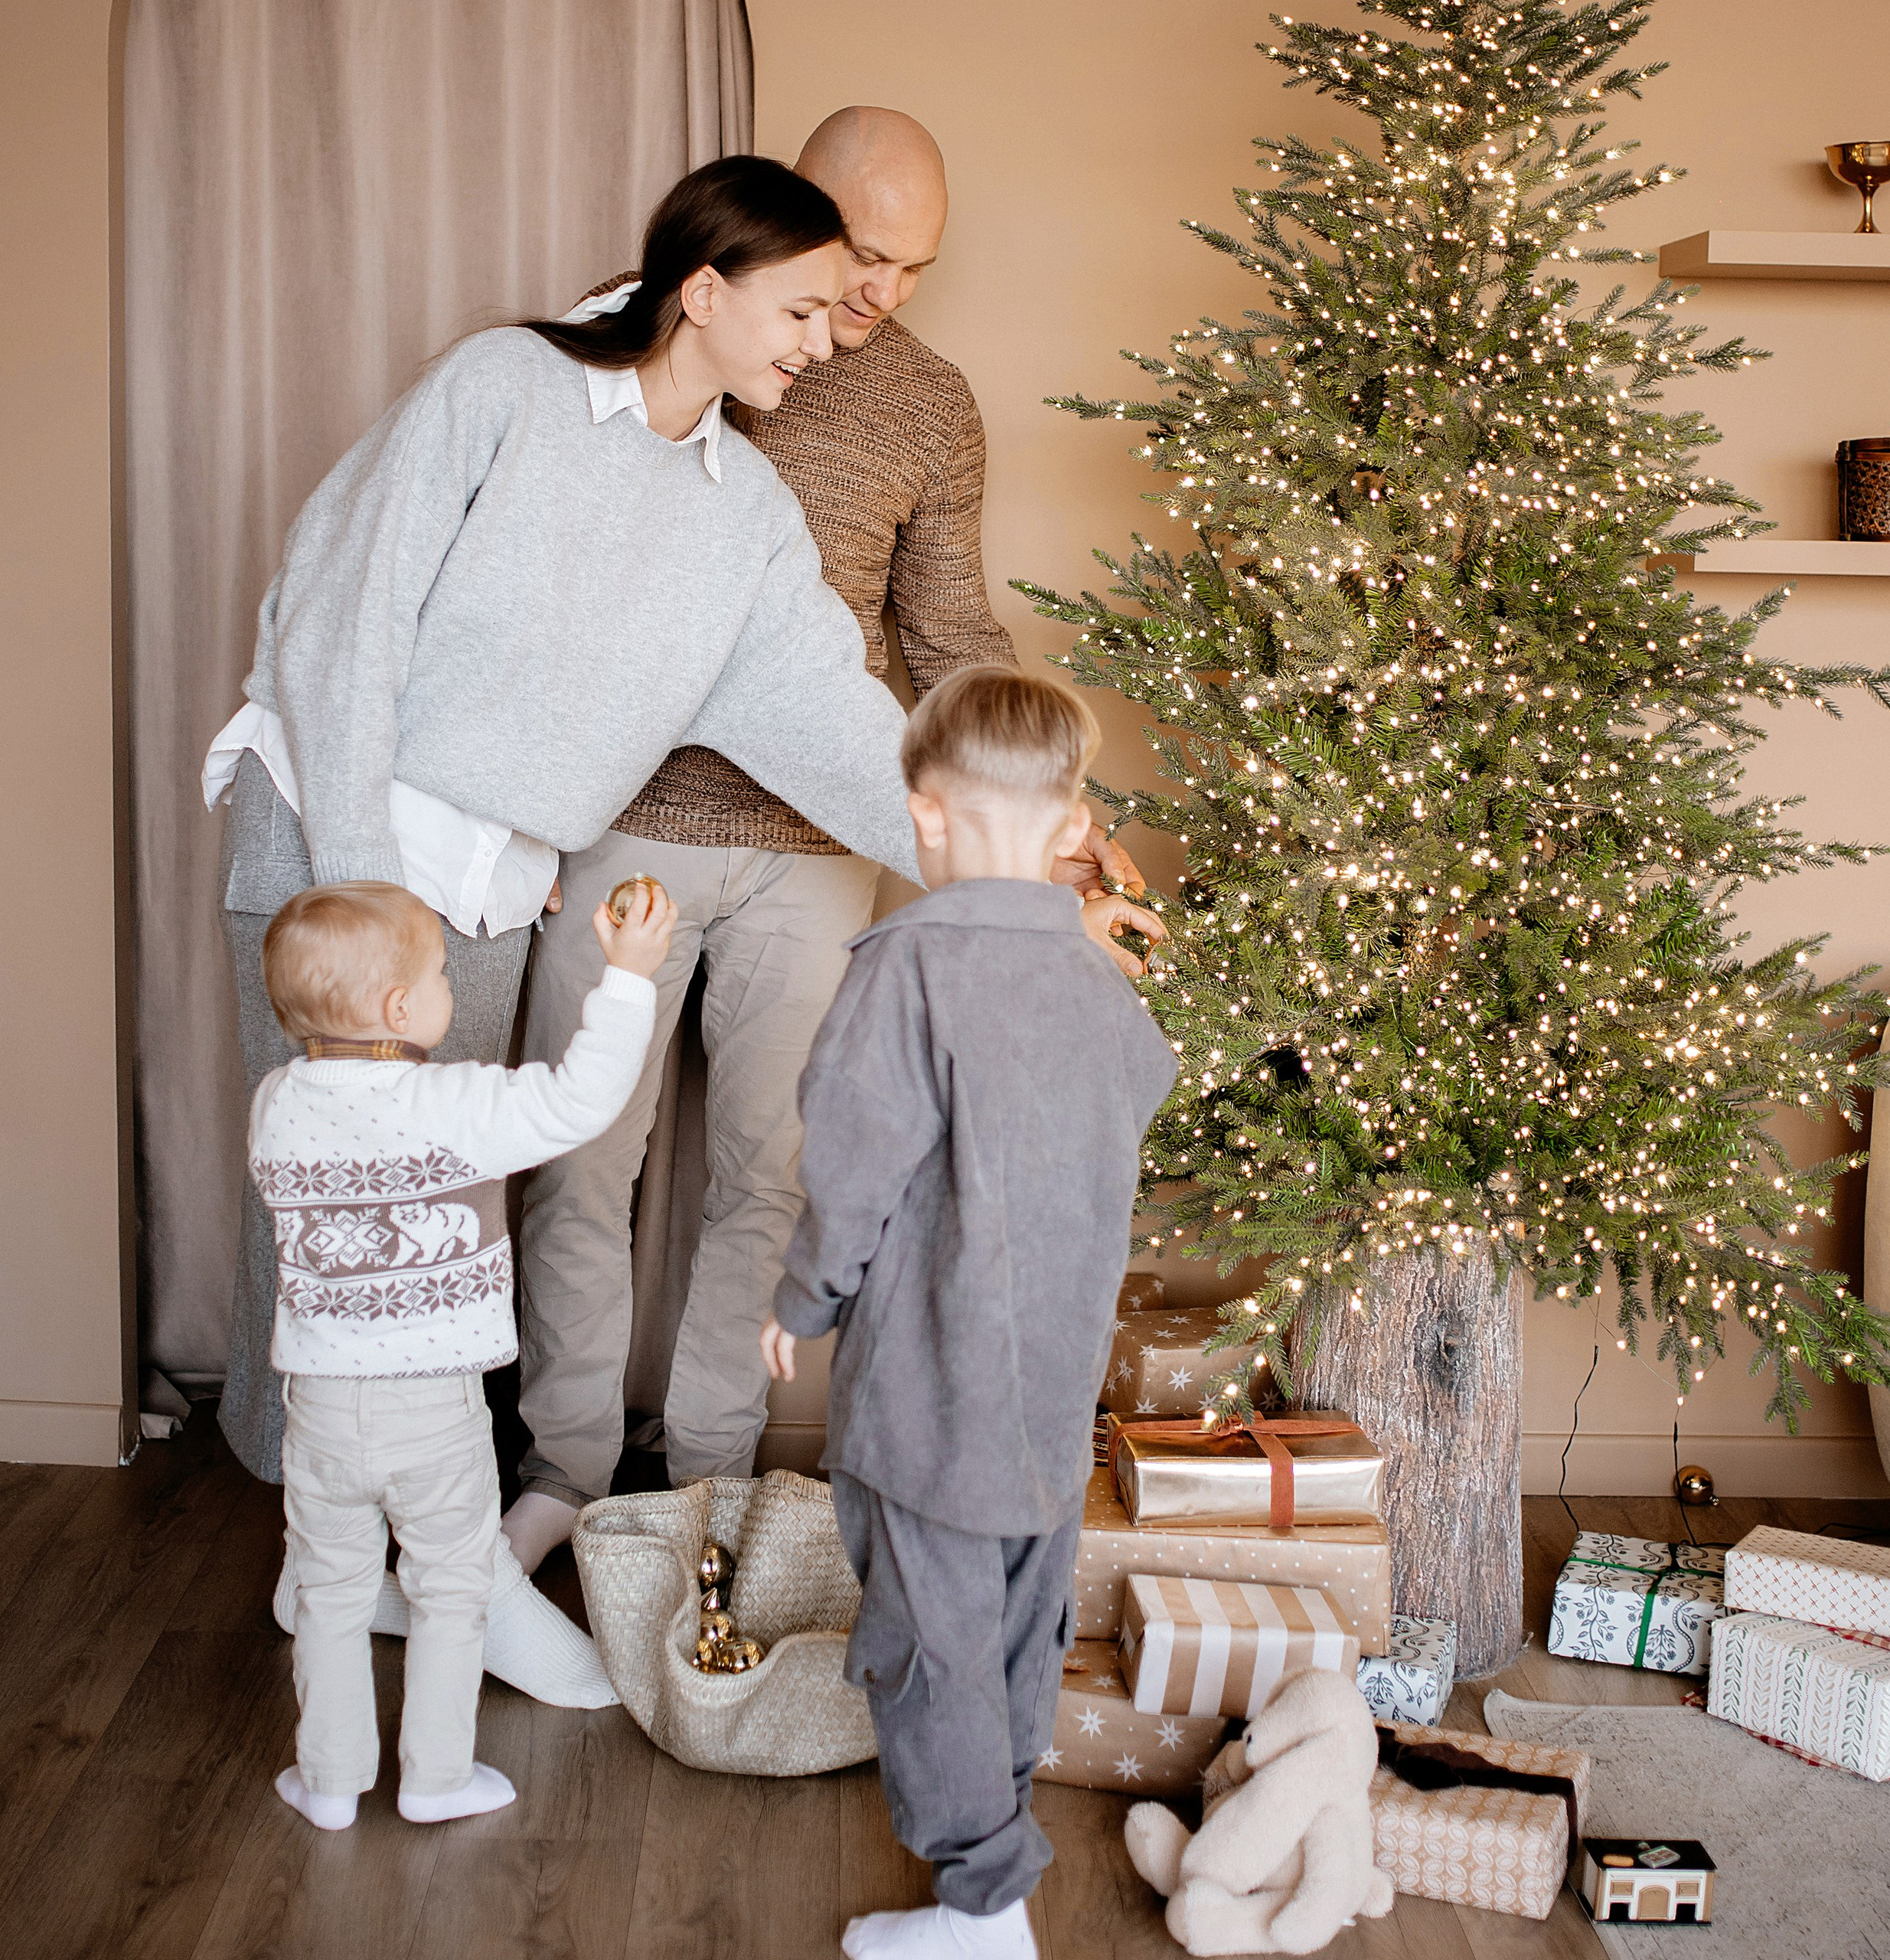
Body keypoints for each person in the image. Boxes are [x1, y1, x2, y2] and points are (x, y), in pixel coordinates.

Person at [205, 154, 924, 1703]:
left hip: (465, 884)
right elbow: (345, 614)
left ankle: (414, 1564)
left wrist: (1015, 855)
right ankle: (360, 1554)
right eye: (799, 304)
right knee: (338, 1226)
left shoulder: (738, 519)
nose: (826, 330)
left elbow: (838, 721)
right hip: (339, 846)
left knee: (438, 1236)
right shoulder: (502, 387)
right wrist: (360, 893)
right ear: (704, 290)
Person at [511, 108, 1164, 1579]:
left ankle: (710, 1491)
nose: (876, 297)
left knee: (770, 1173)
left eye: (914, 268)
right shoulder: (669, 344)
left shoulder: (931, 405)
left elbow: (944, 633)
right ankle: (559, 1469)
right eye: (861, 255)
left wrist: (1049, 801)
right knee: (581, 1160)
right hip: (627, 829)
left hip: (821, 844)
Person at [760, 667, 1178, 1960]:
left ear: (924, 815)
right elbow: (1141, 1094)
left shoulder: (904, 968)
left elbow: (852, 1165)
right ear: (1072, 826)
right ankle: (988, 1859)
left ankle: (982, 1910)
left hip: (930, 1397)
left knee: (927, 1645)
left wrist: (803, 1299)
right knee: (1013, 1628)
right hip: (1053, 1395)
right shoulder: (1102, 982)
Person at [250, 877, 675, 1831]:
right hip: (432, 1408)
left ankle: (328, 1780)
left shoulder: (276, 1103)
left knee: (332, 1588)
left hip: (318, 1405)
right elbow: (579, 1102)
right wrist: (629, 978)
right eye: (441, 973)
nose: (450, 987)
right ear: (402, 1010)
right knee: (451, 1588)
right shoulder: (455, 1105)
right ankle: (437, 1777)